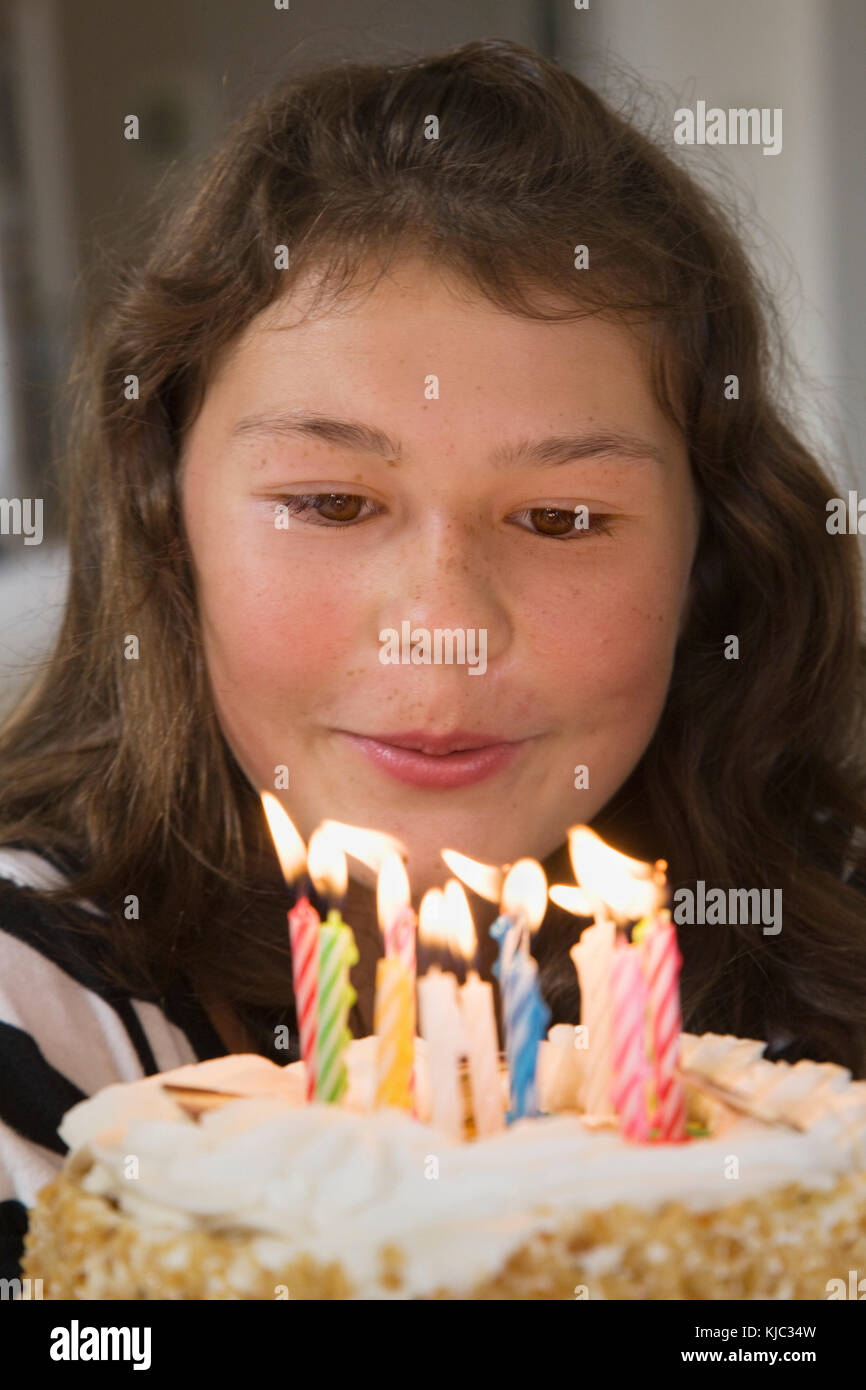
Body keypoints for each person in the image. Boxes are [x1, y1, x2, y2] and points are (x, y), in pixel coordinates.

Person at [2, 38, 865, 1280]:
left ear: (711, 559)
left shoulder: (812, 992)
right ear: (165, 521)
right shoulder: (33, 1014)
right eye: (331, 503)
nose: (442, 622)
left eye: (562, 519)